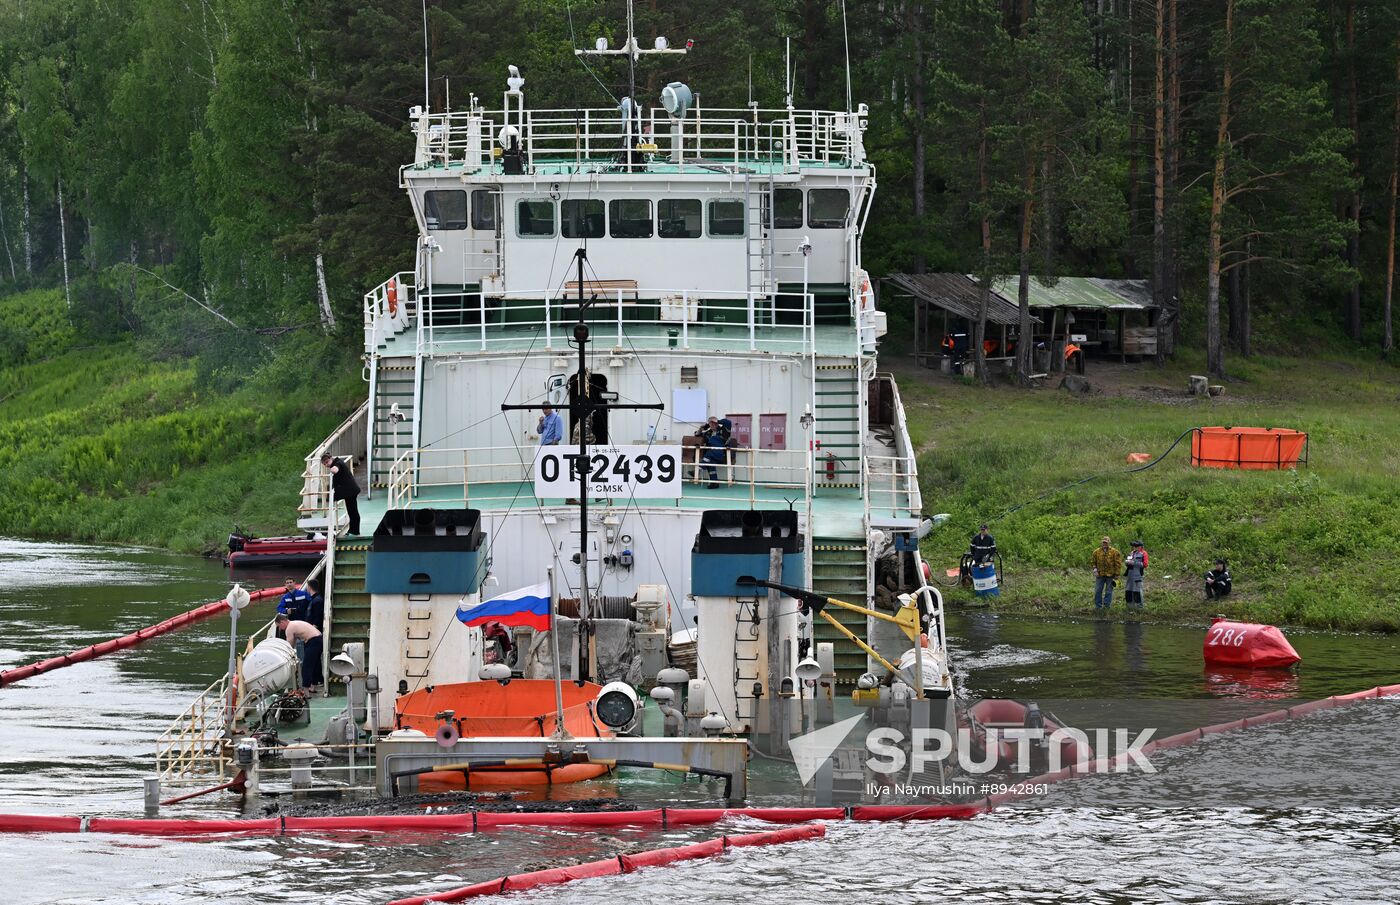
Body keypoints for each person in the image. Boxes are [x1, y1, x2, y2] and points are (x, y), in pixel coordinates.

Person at [276, 613, 324, 694]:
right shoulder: (294, 623)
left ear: (282, 622)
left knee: (306, 666)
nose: (280, 629)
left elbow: (289, 645)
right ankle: (313, 686)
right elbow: (293, 643)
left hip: (313, 641)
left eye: (279, 626)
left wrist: (284, 656)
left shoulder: (289, 628)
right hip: (319, 639)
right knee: (315, 664)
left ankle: (306, 691)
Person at [320, 453, 362, 536]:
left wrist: (331, 469)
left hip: (350, 491)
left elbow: (335, 470)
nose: (326, 465)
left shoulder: (338, 463)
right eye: (324, 464)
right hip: (349, 491)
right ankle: (353, 530)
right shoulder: (337, 462)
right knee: (352, 511)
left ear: (331, 458)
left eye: (327, 462)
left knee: (353, 511)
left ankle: (355, 531)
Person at [695, 416, 731, 489]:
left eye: (714, 423)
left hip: (722, 454)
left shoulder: (724, 430)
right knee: (710, 463)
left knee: (710, 450)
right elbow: (697, 434)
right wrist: (701, 428)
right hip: (712, 455)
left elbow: (728, 422)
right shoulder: (708, 432)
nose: (712, 425)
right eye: (710, 423)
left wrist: (717, 420)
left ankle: (699, 469)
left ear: (717, 423)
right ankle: (714, 483)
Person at [1091, 536, 1123, 610]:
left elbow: (1118, 564)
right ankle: (1098, 606)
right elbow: (1093, 562)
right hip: (1100, 575)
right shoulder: (1096, 552)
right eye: (1103, 542)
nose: (1104, 544)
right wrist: (1095, 569)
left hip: (1111, 575)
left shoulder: (1115, 552)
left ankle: (1106, 606)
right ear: (1101, 542)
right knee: (1098, 590)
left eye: (1106, 542)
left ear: (1109, 543)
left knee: (1109, 591)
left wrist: (1117, 574)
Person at [1123, 540, 1147, 610]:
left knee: (1138, 590)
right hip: (1130, 574)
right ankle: (1130, 606)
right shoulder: (1132, 553)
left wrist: (1134, 563)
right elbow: (1128, 561)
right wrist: (1127, 562)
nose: (1134, 547)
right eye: (1134, 546)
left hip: (1138, 575)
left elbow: (1145, 564)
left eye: (1136, 546)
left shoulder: (1144, 553)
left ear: (1140, 546)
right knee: (1129, 590)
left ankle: (1139, 607)